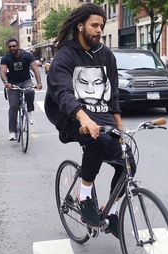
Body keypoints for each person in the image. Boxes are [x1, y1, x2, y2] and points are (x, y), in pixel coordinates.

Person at [45, 3, 124, 238]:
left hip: (99, 114)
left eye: (101, 25)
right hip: (69, 114)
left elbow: (114, 91)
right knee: (96, 141)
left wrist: (118, 120)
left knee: (127, 161)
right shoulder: (65, 56)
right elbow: (62, 92)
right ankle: (84, 197)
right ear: (81, 26)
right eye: (94, 25)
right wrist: (82, 118)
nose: (99, 30)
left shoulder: (106, 55)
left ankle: (112, 214)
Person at [0, 38, 42, 141]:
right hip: (12, 83)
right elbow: (2, 72)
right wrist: (6, 83)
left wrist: (39, 82)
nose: (12, 48)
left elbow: (35, 69)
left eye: (14, 46)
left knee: (30, 91)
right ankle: (12, 132)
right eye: (10, 46)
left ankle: (30, 111)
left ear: (18, 45)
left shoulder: (27, 55)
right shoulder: (6, 58)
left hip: (25, 81)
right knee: (13, 106)